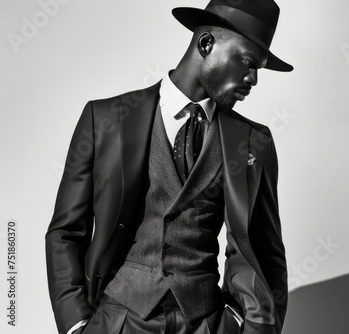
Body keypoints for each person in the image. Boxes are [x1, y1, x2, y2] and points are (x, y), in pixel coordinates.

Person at [45, 1, 292, 334]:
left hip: (206, 322)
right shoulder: (104, 120)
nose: (253, 79)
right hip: (118, 320)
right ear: (206, 44)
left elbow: (266, 252)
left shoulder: (254, 141)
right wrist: (76, 325)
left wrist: (245, 326)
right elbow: (65, 233)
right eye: (248, 62)